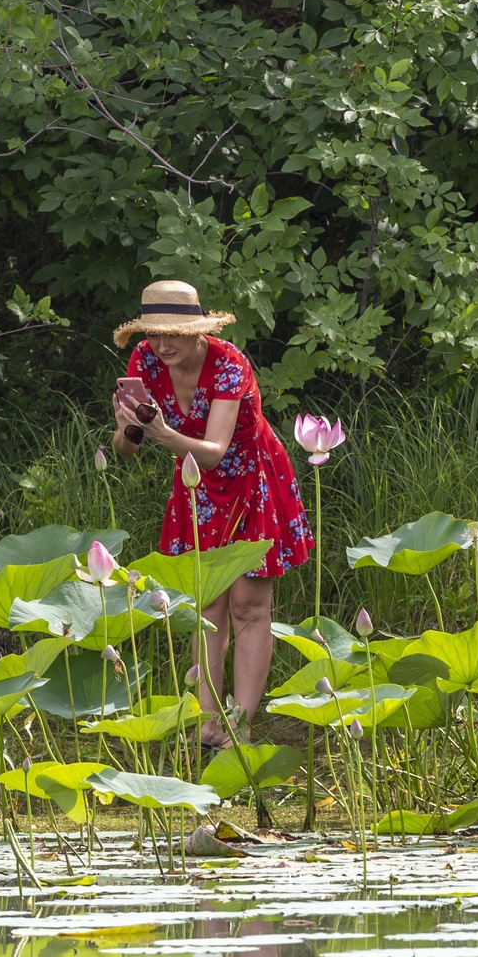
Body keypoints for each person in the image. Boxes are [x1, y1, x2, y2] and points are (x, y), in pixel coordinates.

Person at [110, 280, 314, 748]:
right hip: (195, 487)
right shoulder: (143, 361)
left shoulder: (228, 363)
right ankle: (206, 724)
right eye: (154, 333)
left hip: (250, 477)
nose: (162, 345)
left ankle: (239, 728)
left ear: (198, 330)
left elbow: (217, 451)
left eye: (174, 334)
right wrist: (129, 429)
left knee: (248, 605)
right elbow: (125, 449)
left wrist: (160, 433)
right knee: (207, 609)